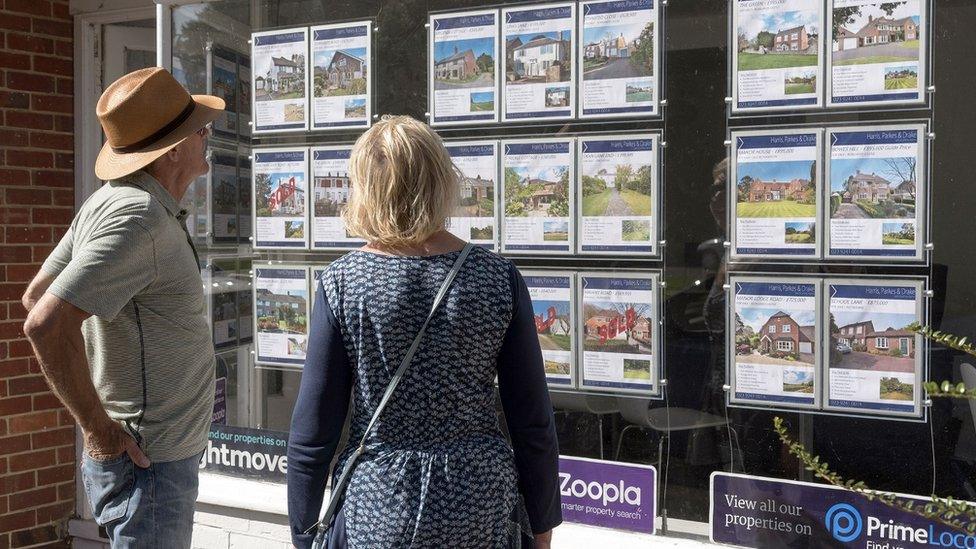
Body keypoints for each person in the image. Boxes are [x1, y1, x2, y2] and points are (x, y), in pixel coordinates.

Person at [287, 115, 562, 548]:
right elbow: (532, 421)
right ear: (441, 179)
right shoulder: (497, 278)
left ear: (365, 188)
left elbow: (314, 431)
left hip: (380, 504)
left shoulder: (343, 282)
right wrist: (543, 526)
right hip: (480, 503)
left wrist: (303, 535)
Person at [22, 67, 224, 548]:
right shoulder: (137, 217)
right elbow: (44, 320)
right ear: (173, 148)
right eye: (201, 129)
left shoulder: (112, 203)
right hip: (149, 466)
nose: (207, 136)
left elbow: (36, 294)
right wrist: (98, 428)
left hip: (151, 460)